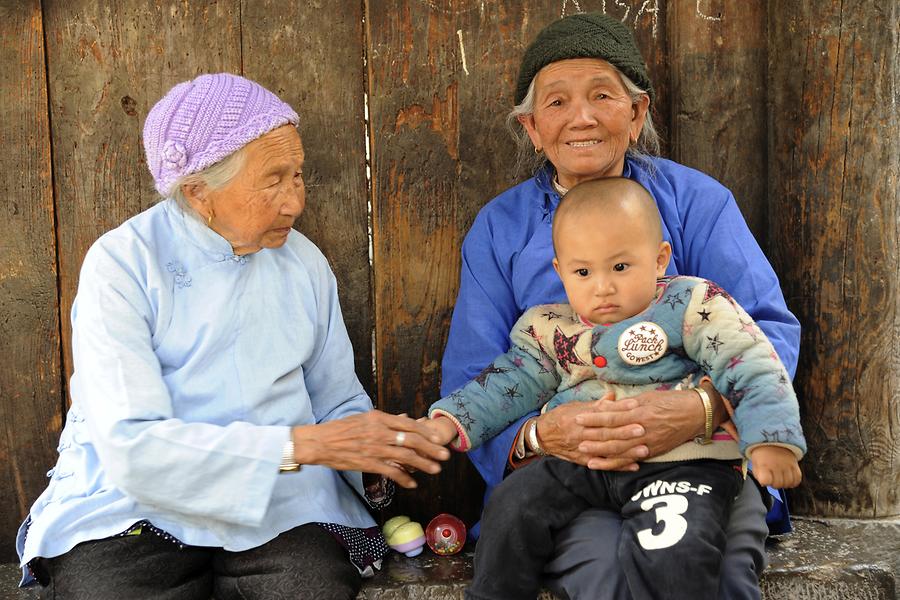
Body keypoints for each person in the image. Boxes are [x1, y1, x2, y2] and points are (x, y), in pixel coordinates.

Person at [15, 73, 449, 600]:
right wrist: (303, 444)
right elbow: (131, 443)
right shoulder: (124, 263)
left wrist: (375, 455)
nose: (296, 200)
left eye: (298, 175)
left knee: (305, 586)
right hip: (133, 502)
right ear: (199, 192)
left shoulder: (304, 262)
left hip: (282, 497)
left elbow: (334, 398)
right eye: (274, 179)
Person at [440, 12, 801, 600]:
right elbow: (473, 375)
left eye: (602, 96)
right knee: (602, 571)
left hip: (701, 462)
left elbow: (767, 331)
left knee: (717, 573)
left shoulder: (698, 203)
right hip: (568, 475)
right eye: (556, 103)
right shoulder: (499, 229)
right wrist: (540, 436)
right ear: (532, 128)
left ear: (637, 114)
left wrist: (701, 409)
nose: (581, 117)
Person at [429, 178, 805, 599]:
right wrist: (448, 422)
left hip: (682, 464)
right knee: (513, 506)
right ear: (560, 271)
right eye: (583, 272)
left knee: (675, 549)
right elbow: (503, 384)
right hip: (580, 464)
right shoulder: (550, 328)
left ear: (660, 258)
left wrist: (770, 439)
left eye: (620, 267)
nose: (602, 287)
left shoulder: (692, 305)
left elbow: (750, 360)